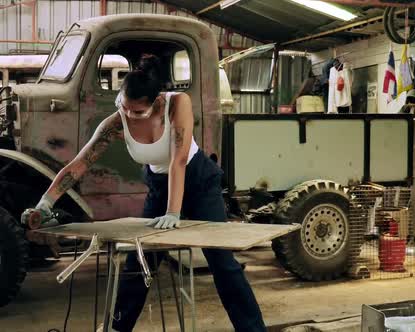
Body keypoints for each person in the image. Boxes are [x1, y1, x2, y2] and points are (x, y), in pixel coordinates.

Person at [22, 54, 267, 332]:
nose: (128, 115)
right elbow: (80, 163)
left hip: (198, 182)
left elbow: (179, 159)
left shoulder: (176, 103)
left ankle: (253, 329)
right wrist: (45, 203)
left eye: (137, 112)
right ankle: (117, 327)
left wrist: (173, 212)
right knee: (138, 263)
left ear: (157, 102)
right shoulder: (116, 122)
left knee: (223, 263)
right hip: (160, 186)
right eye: (124, 107)